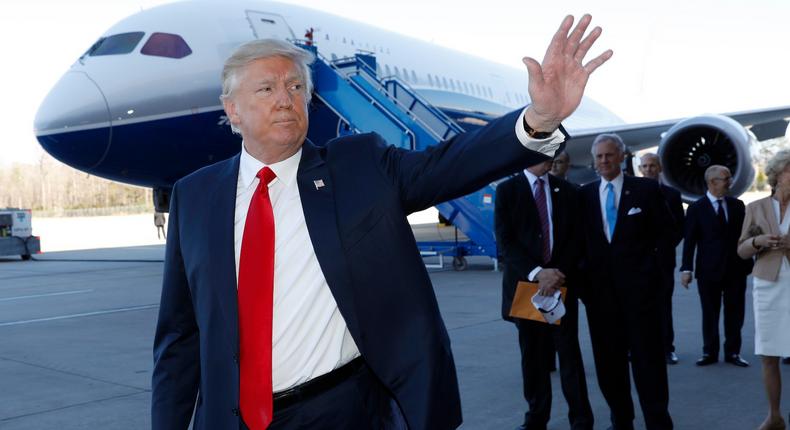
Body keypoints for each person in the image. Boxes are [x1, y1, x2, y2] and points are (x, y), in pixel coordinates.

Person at [151, 15, 612, 430]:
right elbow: (179, 336)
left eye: (295, 87)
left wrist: (540, 118)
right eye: (267, 89)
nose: (286, 99)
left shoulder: (360, 167)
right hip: (231, 418)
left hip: (341, 411)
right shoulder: (195, 196)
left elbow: (450, 163)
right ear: (232, 109)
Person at [579, 133, 673, 430]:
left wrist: (656, 277)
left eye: (609, 155)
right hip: (601, 300)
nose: (604, 161)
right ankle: (621, 421)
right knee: (609, 366)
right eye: (599, 157)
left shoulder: (645, 190)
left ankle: (658, 422)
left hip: (642, 297)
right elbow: (578, 243)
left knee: (649, 364)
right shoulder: (584, 195)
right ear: (593, 161)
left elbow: (668, 234)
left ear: (622, 157)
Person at [496, 157, 593, 430]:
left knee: (569, 356)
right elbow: (505, 240)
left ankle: (582, 420)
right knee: (533, 358)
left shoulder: (568, 191)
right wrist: (539, 272)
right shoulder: (507, 190)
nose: (550, 158)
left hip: (560, 284)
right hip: (527, 286)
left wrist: (556, 273)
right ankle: (536, 419)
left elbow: (577, 238)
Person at [736, 149, 790, 430]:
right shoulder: (755, 208)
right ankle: (775, 416)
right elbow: (742, 250)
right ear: (778, 175)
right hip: (767, 285)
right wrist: (759, 243)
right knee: (768, 354)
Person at [680, 165, 753, 368]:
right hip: (708, 271)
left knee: (735, 313)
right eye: (725, 178)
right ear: (712, 182)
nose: (730, 181)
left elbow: (745, 236)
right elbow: (690, 242)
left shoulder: (737, 205)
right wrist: (686, 269)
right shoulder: (696, 208)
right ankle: (709, 352)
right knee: (710, 313)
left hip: (736, 270)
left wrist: (750, 261)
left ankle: (733, 352)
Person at [637, 153, 684, 365]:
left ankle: (667, 349)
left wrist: (662, 248)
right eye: (645, 166)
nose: (648, 170)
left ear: (660, 168)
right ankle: (639, 348)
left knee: (664, 306)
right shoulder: (631, 193)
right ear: (640, 169)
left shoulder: (672, 195)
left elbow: (679, 228)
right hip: (637, 263)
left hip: (663, 261)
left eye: (652, 166)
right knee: (638, 306)